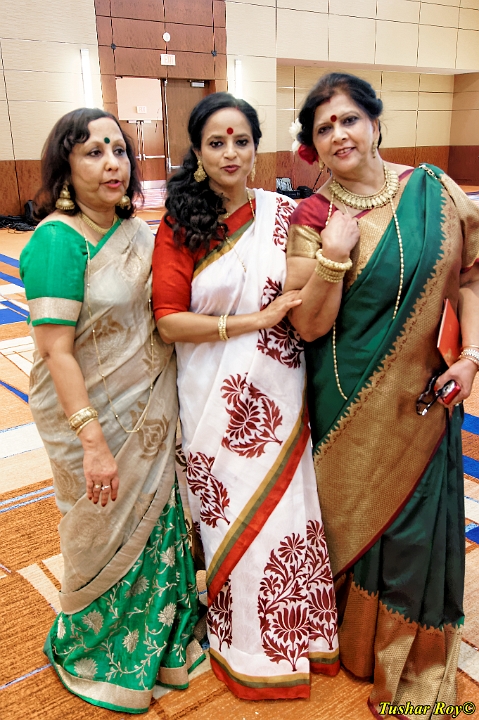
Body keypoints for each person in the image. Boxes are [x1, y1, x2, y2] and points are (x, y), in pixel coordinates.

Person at [286, 72, 479, 718]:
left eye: (348, 119)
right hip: (346, 398)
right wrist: (333, 256)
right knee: (355, 516)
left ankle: (405, 658)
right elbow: (308, 325)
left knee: (417, 531)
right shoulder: (313, 217)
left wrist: (472, 357)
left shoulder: (435, 191)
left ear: (374, 122)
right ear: (313, 145)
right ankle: (353, 641)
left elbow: (471, 279)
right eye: (323, 128)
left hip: (426, 397)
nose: (338, 134)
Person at [152, 92, 340, 700]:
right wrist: (251, 322)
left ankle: (297, 635)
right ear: (198, 153)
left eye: (241, 140)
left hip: (279, 391)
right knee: (229, 515)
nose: (230, 152)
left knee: (286, 513)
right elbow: (168, 321)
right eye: (216, 142)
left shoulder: (283, 215)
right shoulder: (181, 224)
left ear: (257, 147)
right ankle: (241, 642)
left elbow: (318, 282)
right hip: (212, 396)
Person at [19, 108, 204, 713]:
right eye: (93, 152)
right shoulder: (58, 240)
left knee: (157, 519)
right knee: (96, 524)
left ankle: (160, 636)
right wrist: (93, 441)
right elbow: (55, 350)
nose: (111, 164)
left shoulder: (138, 233)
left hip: (148, 409)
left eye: (118, 150)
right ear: (66, 166)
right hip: (87, 418)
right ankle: (96, 647)